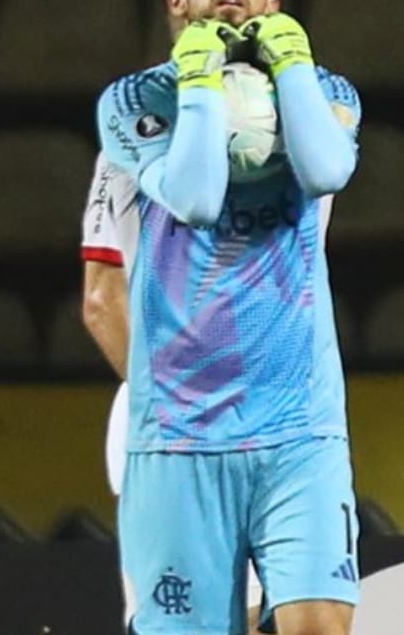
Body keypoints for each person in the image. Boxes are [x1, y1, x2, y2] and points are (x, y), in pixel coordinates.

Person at [95, 0, 362, 635]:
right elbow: (196, 196)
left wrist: (293, 66)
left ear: (273, 4)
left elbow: (328, 167)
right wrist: (200, 78)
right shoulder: (133, 102)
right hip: (178, 439)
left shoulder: (329, 90)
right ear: (176, 0)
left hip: (299, 431)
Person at [79, 151, 267, 633]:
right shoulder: (286, 145)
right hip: (233, 428)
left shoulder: (122, 148)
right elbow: (101, 303)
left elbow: (101, 301)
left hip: (160, 433)